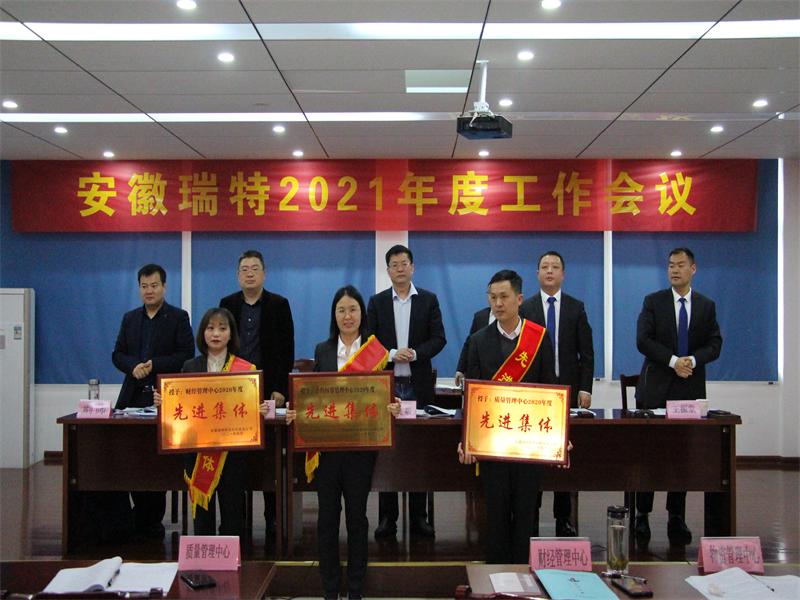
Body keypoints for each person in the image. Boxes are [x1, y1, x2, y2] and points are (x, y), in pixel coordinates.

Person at [287, 286, 400, 600]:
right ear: (333, 316)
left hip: (361, 449)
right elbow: (312, 394)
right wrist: (297, 411)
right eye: (341, 310)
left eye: (353, 309)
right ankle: (329, 589)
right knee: (326, 520)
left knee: (357, 520)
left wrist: (392, 406)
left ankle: (355, 590)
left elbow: (385, 395)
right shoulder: (323, 350)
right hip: (327, 449)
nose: (347, 316)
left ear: (362, 313)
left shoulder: (376, 352)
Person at [458, 269, 557, 564]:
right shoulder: (478, 340)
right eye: (493, 297)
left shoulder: (538, 338)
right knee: (496, 516)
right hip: (493, 444)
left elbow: (550, 391)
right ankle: (497, 579)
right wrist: (466, 439)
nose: (498, 303)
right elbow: (472, 395)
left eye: (504, 296)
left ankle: (526, 579)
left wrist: (559, 437)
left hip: (529, 446)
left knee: (526, 514)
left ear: (519, 299)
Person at [634, 247, 722, 545]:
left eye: (681, 265)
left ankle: (676, 516)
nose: (674, 270)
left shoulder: (706, 306)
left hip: (689, 389)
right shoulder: (653, 302)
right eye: (671, 265)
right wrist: (673, 361)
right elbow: (643, 340)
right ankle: (642, 515)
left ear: (692, 269)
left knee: (680, 455)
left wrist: (692, 361)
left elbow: (715, 344)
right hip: (656, 390)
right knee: (649, 454)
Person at [367, 244, 446, 538]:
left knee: (418, 452)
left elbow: (439, 339)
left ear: (412, 267)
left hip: (418, 386)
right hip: (387, 387)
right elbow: (368, 341)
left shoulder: (428, 300)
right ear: (387, 271)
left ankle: (419, 517)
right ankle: (387, 518)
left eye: (404, 264)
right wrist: (390, 354)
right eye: (394, 265)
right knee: (387, 451)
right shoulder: (377, 302)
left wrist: (414, 353)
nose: (400, 269)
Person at [155, 307, 255, 536]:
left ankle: (231, 555)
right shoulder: (190, 366)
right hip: (198, 452)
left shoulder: (244, 369)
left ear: (231, 334)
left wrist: (257, 407)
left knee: (232, 515)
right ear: (203, 333)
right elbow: (181, 407)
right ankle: (203, 555)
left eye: (222, 328)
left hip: (231, 454)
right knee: (202, 518)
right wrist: (164, 400)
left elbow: (247, 410)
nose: (216, 334)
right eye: (210, 328)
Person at [111, 263, 194, 539]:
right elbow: (117, 354)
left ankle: (151, 518)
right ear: (139, 288)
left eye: (154, 285)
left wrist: (154, 364)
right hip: (133, 397)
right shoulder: (130, 318)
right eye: (144, 286)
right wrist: (132, 366)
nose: (149, 291)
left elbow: (186, 355)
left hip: (164, 397)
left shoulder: (178, 317)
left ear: (164, 287)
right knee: (133, 456)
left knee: (156, 460)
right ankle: (137, 515)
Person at [219, 249, 294, 537]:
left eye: (255, 268)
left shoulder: (279, 304)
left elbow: (287, 350)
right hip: (234, 392)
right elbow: (219, 347)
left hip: (268, 392)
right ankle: (235, 518)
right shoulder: (227, 305)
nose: (249, 273)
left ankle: (272, 516)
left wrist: (280, 389)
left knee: (270, 456)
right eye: (244, 269)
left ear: (264, 273)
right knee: (235, 457)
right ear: (237, 275)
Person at [520, 251, 594, 537]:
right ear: (537, 274)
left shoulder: (576, 307)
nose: (549, 271)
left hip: (568, 392)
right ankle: (531, 515)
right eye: (544, 267)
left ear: (563, 274)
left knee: (564, 455)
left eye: (555, 267)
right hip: (536, 393)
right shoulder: (526, 308)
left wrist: (585, 388)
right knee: (535, 455)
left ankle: (563, 517)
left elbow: (587, 353)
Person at [454, 305, 493, 387]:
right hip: (480, 376)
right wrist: (460, 369)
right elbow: (470, 343)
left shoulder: (519, 316)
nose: (498, 303)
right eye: (493, 298)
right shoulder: (480, 316)